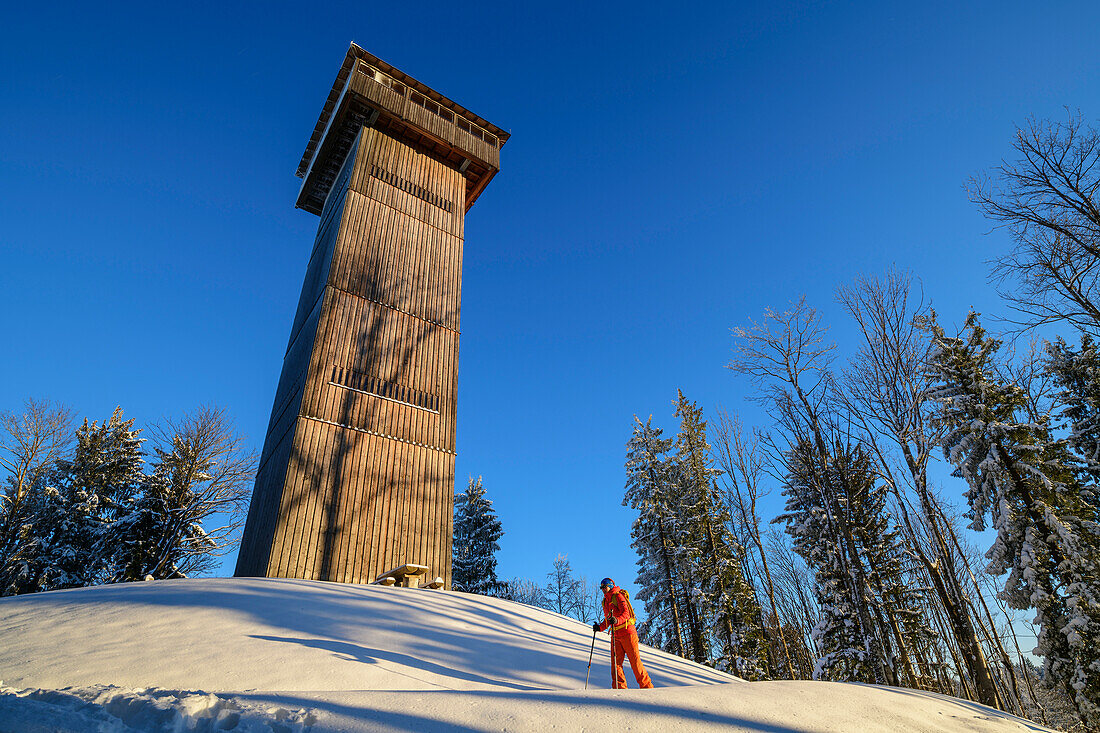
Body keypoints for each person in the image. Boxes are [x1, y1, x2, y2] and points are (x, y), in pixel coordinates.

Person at [592, 577, 653, 689]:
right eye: (601, 588)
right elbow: (608, 620)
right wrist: (599, 627)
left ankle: (647, 687)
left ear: (610, 586)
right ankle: (619, 689)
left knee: (635, 662)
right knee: (616, 664)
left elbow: (627, 613)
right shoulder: (605, 601)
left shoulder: (618, 596)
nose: (603, 590)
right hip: (616, 635)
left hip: (628, 633)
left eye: (604, 587)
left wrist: (617, 620)